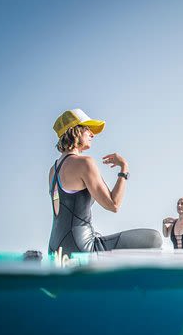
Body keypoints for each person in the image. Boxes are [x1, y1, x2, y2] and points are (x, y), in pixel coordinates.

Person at [48, 108, 162, 254]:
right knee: (154, 238)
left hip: (54, 248)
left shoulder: (53, 170)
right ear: (75, 131)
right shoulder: (85, 163)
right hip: (81, 247)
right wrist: (124, 169)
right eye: (88, 129)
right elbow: (113, 205)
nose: (92, 134)